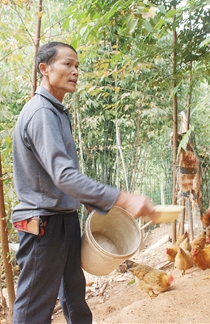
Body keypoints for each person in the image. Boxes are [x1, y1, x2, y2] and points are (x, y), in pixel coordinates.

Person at [11, 41, 158, 324]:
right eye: (67, 64)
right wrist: (123, 198)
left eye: (77, 65)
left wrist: (92, 203)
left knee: (74, 295)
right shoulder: (42, 113)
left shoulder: (55, 112)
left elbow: (60, 177)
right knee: (33, 307)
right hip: (42, 223)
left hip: (62, 218)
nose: (75, 71)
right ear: (45, 69)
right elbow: (63, 176)